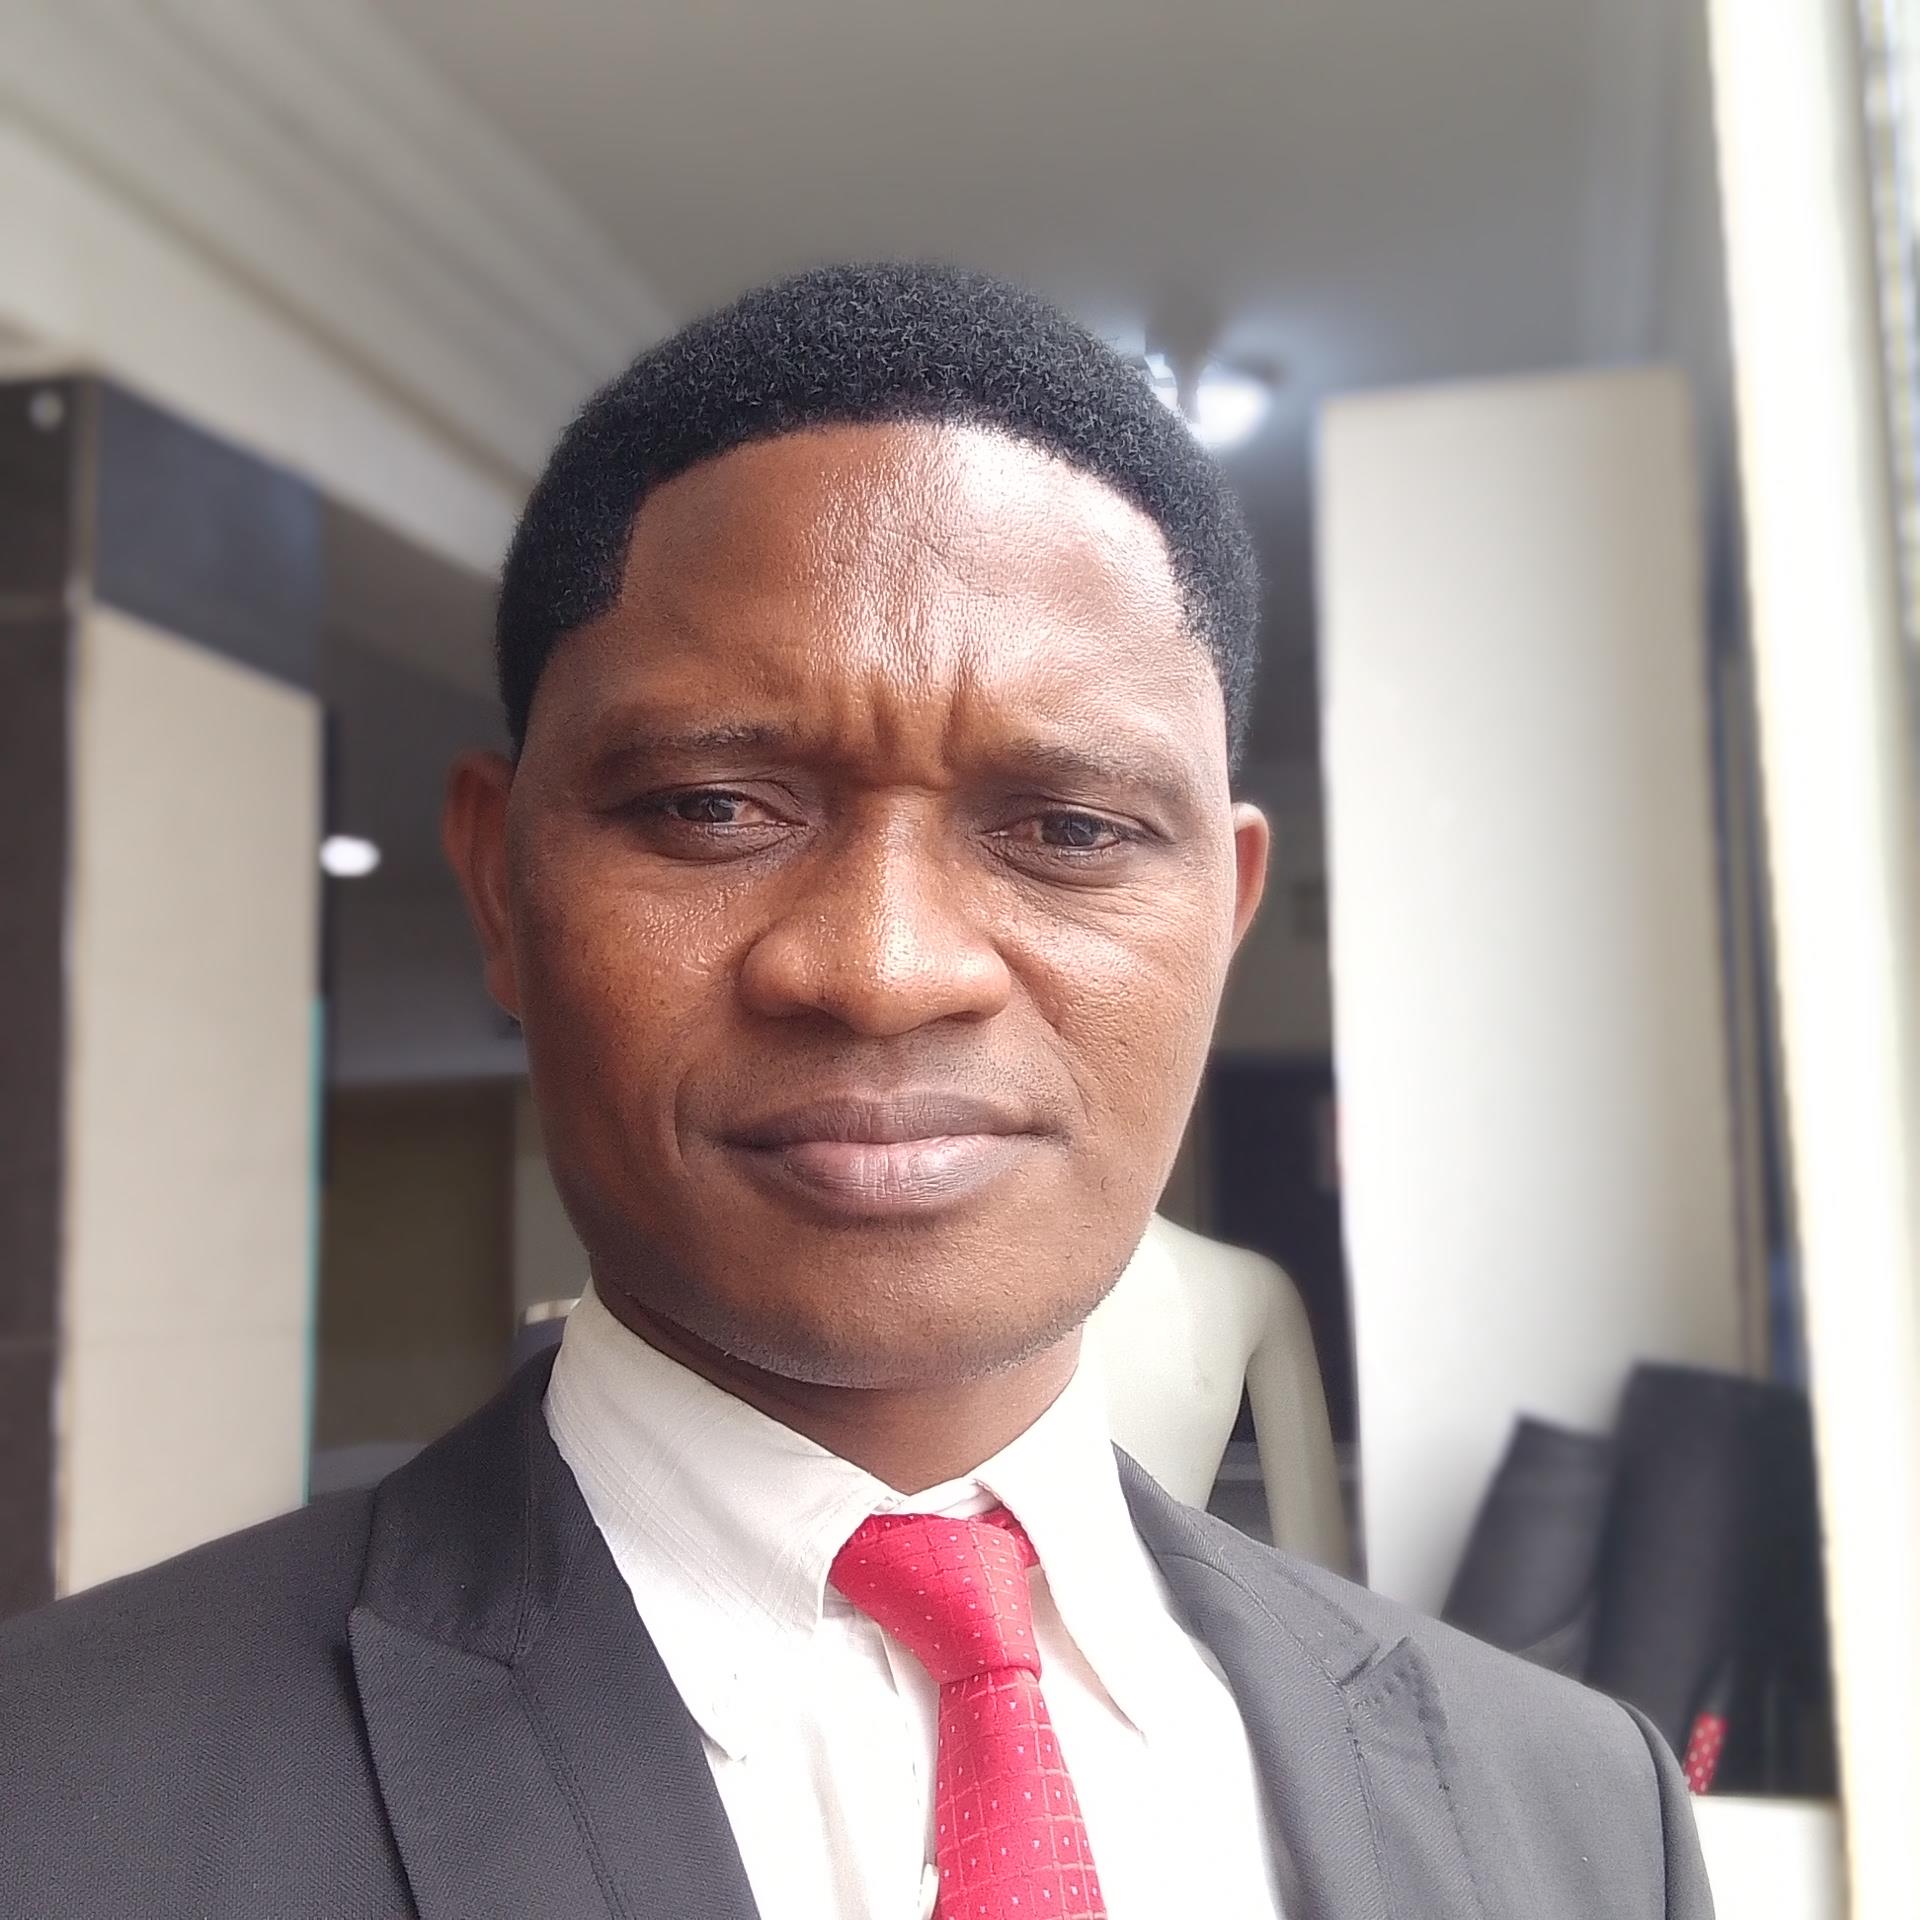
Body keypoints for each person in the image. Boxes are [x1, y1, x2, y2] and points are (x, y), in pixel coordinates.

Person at [0, 263, 1709, 1919]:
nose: (885, 968)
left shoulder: (1582, 1820)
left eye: (1071, 828)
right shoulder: (58, 1799)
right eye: (710, 807)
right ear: (498, 885)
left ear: (1225, 916)